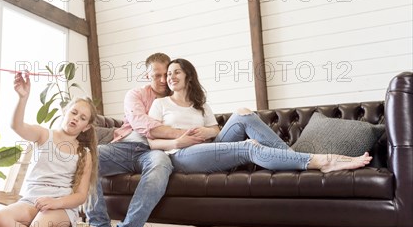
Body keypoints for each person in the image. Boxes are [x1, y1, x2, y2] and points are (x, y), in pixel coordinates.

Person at [147, 58, 373, 173]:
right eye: (168, 74)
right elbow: (150, 141)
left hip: (210, 148)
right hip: (181, 156)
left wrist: (205, 131)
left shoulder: (200, 105)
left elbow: (215, 131)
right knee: (249, 146)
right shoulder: (160, 104)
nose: (170, 76)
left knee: (243, 113)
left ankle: (289, 156)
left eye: (176, 72)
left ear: (189, 77)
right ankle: (324, 161)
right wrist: (178, 141)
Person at [0, 72, 114, 227]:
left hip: (60, 206)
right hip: (31, 200)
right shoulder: (43, 135)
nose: (76, 118)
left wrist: (55, 203)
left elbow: (80, 196)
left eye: (82, 118)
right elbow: (16, 126)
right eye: (74, 112)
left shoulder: (84, 153)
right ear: (66, 112)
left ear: (86, 127)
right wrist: (23, 98)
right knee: (0, 218)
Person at [87, 53, 198, 227]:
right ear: (147, 75)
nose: (164, 80)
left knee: (160, 166)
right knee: (88, 157)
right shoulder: (135, 94)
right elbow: (140, 123)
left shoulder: (180, 97)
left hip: (158, 151)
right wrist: (178, 134)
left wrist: (174, 138)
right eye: (157, 75)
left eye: (167, 74)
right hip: (127, 145)